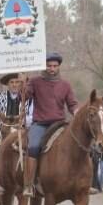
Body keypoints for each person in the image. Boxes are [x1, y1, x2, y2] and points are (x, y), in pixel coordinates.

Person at [22, 53, 78, 197]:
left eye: (55, 66)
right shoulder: (35, 81)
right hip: (40, 124)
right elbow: (25, 97)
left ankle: (81, 183)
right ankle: (29, 184)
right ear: (44, 66)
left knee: (77, 145)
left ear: (59, 67)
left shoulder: (65, 85)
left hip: (59, 123)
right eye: (49, 65)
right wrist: (24, 86)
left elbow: (72, 104)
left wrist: (77, 112)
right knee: (33, 147)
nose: (52, 68)